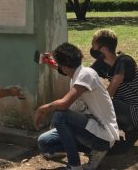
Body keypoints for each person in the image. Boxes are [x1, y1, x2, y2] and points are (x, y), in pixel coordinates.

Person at [34, 42, 119, 170]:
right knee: (44, 142)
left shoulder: (86, 74)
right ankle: (83, 150)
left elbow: (64, 104)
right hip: (87, 130)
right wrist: (49, 62)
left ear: (64, 66)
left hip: (102, 136)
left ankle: (74, 165)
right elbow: (62, 69)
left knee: (59, 116)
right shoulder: (78, 74)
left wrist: (42, 109)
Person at [90, 29, 138, 153]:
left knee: (105, 103)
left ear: (104, 48)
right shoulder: (102, 63)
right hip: (125, 109)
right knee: (99, 105)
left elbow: (110, 92)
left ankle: (131, 130)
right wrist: (57, 64)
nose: (92, 48)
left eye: (94, 45)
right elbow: (83, 75)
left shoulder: (125, 61)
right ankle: (113, 137)